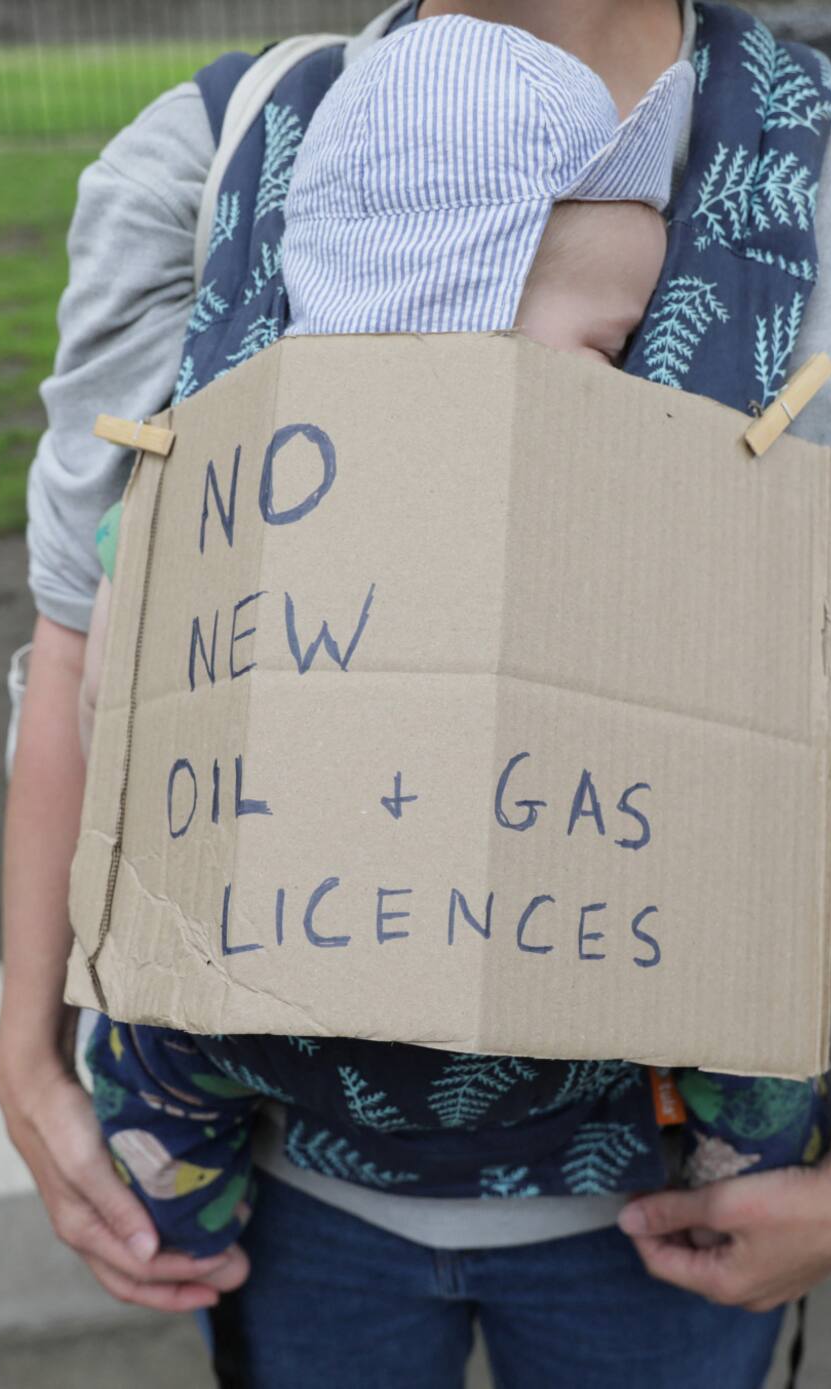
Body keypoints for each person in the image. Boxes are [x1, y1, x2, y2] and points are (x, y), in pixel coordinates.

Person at [0, 1, 831, 1384]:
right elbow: (84, 644)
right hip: (299, 1194)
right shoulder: (207, 159)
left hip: (655, 1225)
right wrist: (30, 1049)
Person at [77, 15, 688, 1260]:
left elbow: (113, 685)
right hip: (324, 953)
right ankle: (176, 1234)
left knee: (150, 1068)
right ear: (458, 312)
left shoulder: (225, 478)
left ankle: (180, 1215)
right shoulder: (289, 497)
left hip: (302, 968)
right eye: (605, 344)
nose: (625, 378)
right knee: (153, 1059)